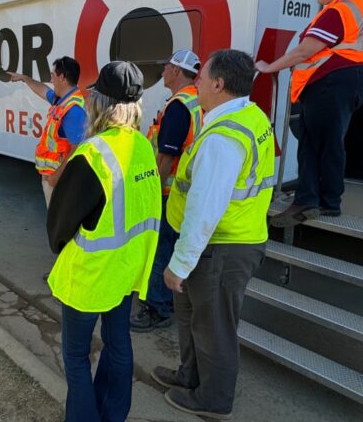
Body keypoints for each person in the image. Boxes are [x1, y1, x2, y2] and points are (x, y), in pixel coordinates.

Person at [153, 50, 273, 420]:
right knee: (193, 318)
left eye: (201, 78)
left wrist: (179, 264)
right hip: (224, 243)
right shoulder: (246, 115)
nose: (197, 83)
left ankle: (214, 400)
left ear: (219, 85)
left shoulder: (224, 138)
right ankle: (191, 376)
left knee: (214, 327)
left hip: (221, 247)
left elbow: (205, 210)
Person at [47, 61, 161, 422]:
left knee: (77, 357)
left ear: (101, 103)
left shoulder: (92, 153)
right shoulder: (143, 145)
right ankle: (113, 415)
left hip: (90, 276)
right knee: (118, 345)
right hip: (127, 270)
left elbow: (58, 227)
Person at [257, 0, 363, 226]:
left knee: (322, 142)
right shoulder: (354, 7)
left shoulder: (338, 10)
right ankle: (310, 199)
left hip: (335, 81)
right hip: (346, 78)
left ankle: (321, 201)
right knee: (315, 141)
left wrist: (270, 67)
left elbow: (305, 50)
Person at [130, 49, 203, 333]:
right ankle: (171, 302)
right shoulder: (196, 101)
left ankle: (157, 308)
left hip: (167, 192)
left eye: (167, 67)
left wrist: (151, 191)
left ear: (176, 71)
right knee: (172, 247)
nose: (163, 71)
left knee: (161, 250)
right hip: (184, 190)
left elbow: (166, 158)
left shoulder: (178, 107)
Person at [8, 56, 86, 206]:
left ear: (62, 77)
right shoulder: (62, 99)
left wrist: (56, 177)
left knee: (60, 225)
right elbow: (43, 90)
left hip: (61, 179)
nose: (51, 80)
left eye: (52, 76)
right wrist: (25, 78)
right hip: (54, 177)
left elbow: (78, 149)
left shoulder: (73, 110)